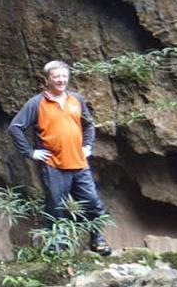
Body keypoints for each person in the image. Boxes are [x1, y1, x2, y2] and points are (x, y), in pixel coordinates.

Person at [8, 60, 112, 255]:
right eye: (56, 77)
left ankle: (97, 240)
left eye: (64, 76)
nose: (61, 80)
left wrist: (88, 146)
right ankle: (56, 247)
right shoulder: (37, 103)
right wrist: (30, 152)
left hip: (80, 164)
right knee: (56, 207)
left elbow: (89, 124)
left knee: (92, 203)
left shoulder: (77, 99)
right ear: (47, 79)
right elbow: (15, 127)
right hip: (53, 166)